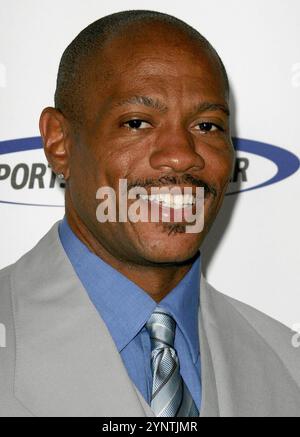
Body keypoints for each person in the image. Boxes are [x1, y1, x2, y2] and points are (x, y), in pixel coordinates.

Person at [0, 10, 299, 418]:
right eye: (137, 122)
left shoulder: (288, 361)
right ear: (59, 143)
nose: (181, 155)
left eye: (208, 126)